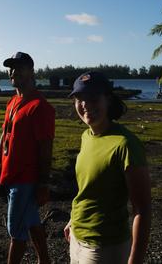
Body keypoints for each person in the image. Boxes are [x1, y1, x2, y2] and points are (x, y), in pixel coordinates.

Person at [64, 71, 151, 264]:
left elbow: (142, 209)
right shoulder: (87, 136)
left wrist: (134, 260)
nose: (85, 104)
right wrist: (73, 220)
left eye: (93, 98)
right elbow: (87, 189)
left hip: (104, 247)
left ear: (108, 100)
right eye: (79, 98)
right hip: (77, 237)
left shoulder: (126, 144)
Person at [0, 52, 55, 264]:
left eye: (19, 67)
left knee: (15, 230)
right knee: (31, 220)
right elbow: (4, 134)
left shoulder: (39, 106)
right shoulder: (13, 102)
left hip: (26, 179)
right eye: (11, 68)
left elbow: (46, 147)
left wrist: (44, 183)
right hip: (10, 175)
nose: (13, 72)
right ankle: (44, 260)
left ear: (31, 71)